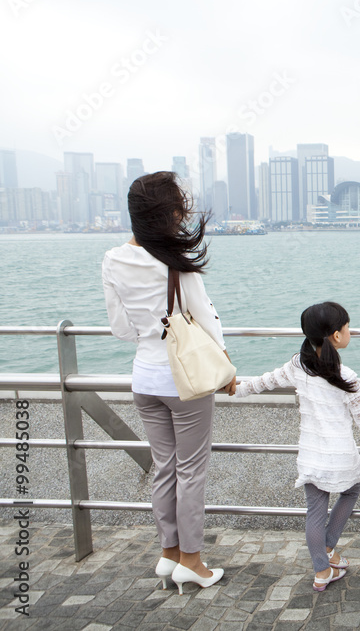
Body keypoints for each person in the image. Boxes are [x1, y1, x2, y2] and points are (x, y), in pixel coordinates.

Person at [102, 171, 235, 594]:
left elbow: (121, 329)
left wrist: (151, 326)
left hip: (144, 379)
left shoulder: (112, 260)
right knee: (191, 470)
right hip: (185, 382)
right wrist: (227, 368)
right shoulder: (176, 262)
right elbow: (207, 318)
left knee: (164, 467)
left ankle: (169, 553)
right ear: (168, 214)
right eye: (179, 209)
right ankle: (193, 562)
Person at [231, 302, 360, 592]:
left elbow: (266, 381)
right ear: (336, 335)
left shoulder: (299, 364)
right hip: (340, 455)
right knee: (351, 491)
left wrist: (237, 387)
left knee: (315, 512)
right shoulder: (346, 376)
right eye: (348, 327)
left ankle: (322, 571)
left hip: (311, 456)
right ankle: (328, 545)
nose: (350, 331)